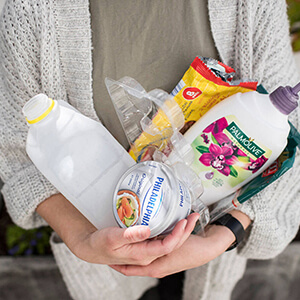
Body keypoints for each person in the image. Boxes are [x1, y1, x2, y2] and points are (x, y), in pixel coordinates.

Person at [0, 0, 299, 299]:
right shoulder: (32, 8)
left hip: (212, 251)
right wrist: (82, 239)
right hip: (102, 263)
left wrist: (223, 234)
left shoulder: (251, 5)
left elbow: (285, 138)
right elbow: (17, 146)